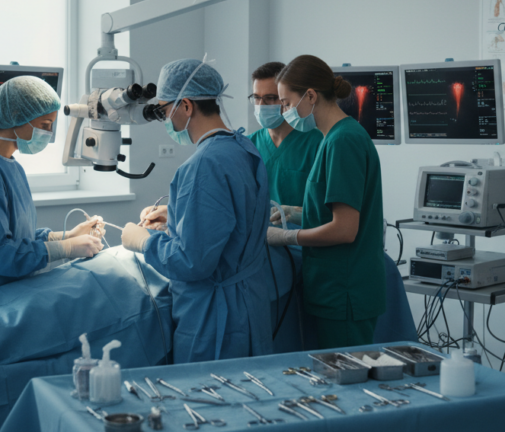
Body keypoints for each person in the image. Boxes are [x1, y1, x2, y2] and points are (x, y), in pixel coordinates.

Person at [120, 58, 273, 363]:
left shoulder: (204, 165)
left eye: (165, 110)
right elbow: (236, 217)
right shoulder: (242, 147)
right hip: (250, 305)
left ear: (186, 106)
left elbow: (191, 262)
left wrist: (143, 240)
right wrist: (176, 214)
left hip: (215, 319)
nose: (165, 120)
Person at [0, 76, 104, 311]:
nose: (48, 133)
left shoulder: (7, 164)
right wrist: (66, 249)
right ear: (16, 115)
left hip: (0, 302)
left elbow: (14, 236)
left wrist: (65, 236)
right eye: (45, 125)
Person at [266, 55, 386, 348]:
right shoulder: (331, 138)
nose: (283, 111)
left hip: (345, 290)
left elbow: (344, 229)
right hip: (333, 288)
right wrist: (296, 213)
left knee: (348, 383)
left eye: (285, 102)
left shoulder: (343, 141)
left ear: (310, 96)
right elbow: (332, 210)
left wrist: (285, 237)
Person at [247, 61, 322, 208]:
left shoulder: (316, 143)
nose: (261, 105)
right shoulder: (248, 145)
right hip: (258, 231)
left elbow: (324, 209)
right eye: (256, 97)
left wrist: (296, 217)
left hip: (303, 231)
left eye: (270, 98)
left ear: (286, 98)